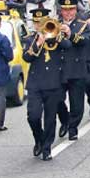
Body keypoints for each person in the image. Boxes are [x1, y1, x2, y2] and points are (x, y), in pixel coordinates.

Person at [22, 9, 72, 161]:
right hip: (35, 84)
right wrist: (38, 43)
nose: (39, 25)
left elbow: (68, 45)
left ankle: (47, 147)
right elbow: (27, 57)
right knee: (33, 116)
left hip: (53, 82)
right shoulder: (30, 39)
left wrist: (57, 34)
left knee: (50, 118)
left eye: (42, 22)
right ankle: (38, 138)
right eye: (37, 23)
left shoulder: (56, 37)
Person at [55, 0, 89, 140]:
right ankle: (65, 120)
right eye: (65, 10)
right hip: (60, 69)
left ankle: (73, 127)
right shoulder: (55, 24)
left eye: (71, 10)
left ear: (75, 10)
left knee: (77, 103)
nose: (68, 13)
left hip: (76, 68)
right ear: (61, 11)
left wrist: (71, 34)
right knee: (56, 99)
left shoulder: (82, 25)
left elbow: (85, 40)